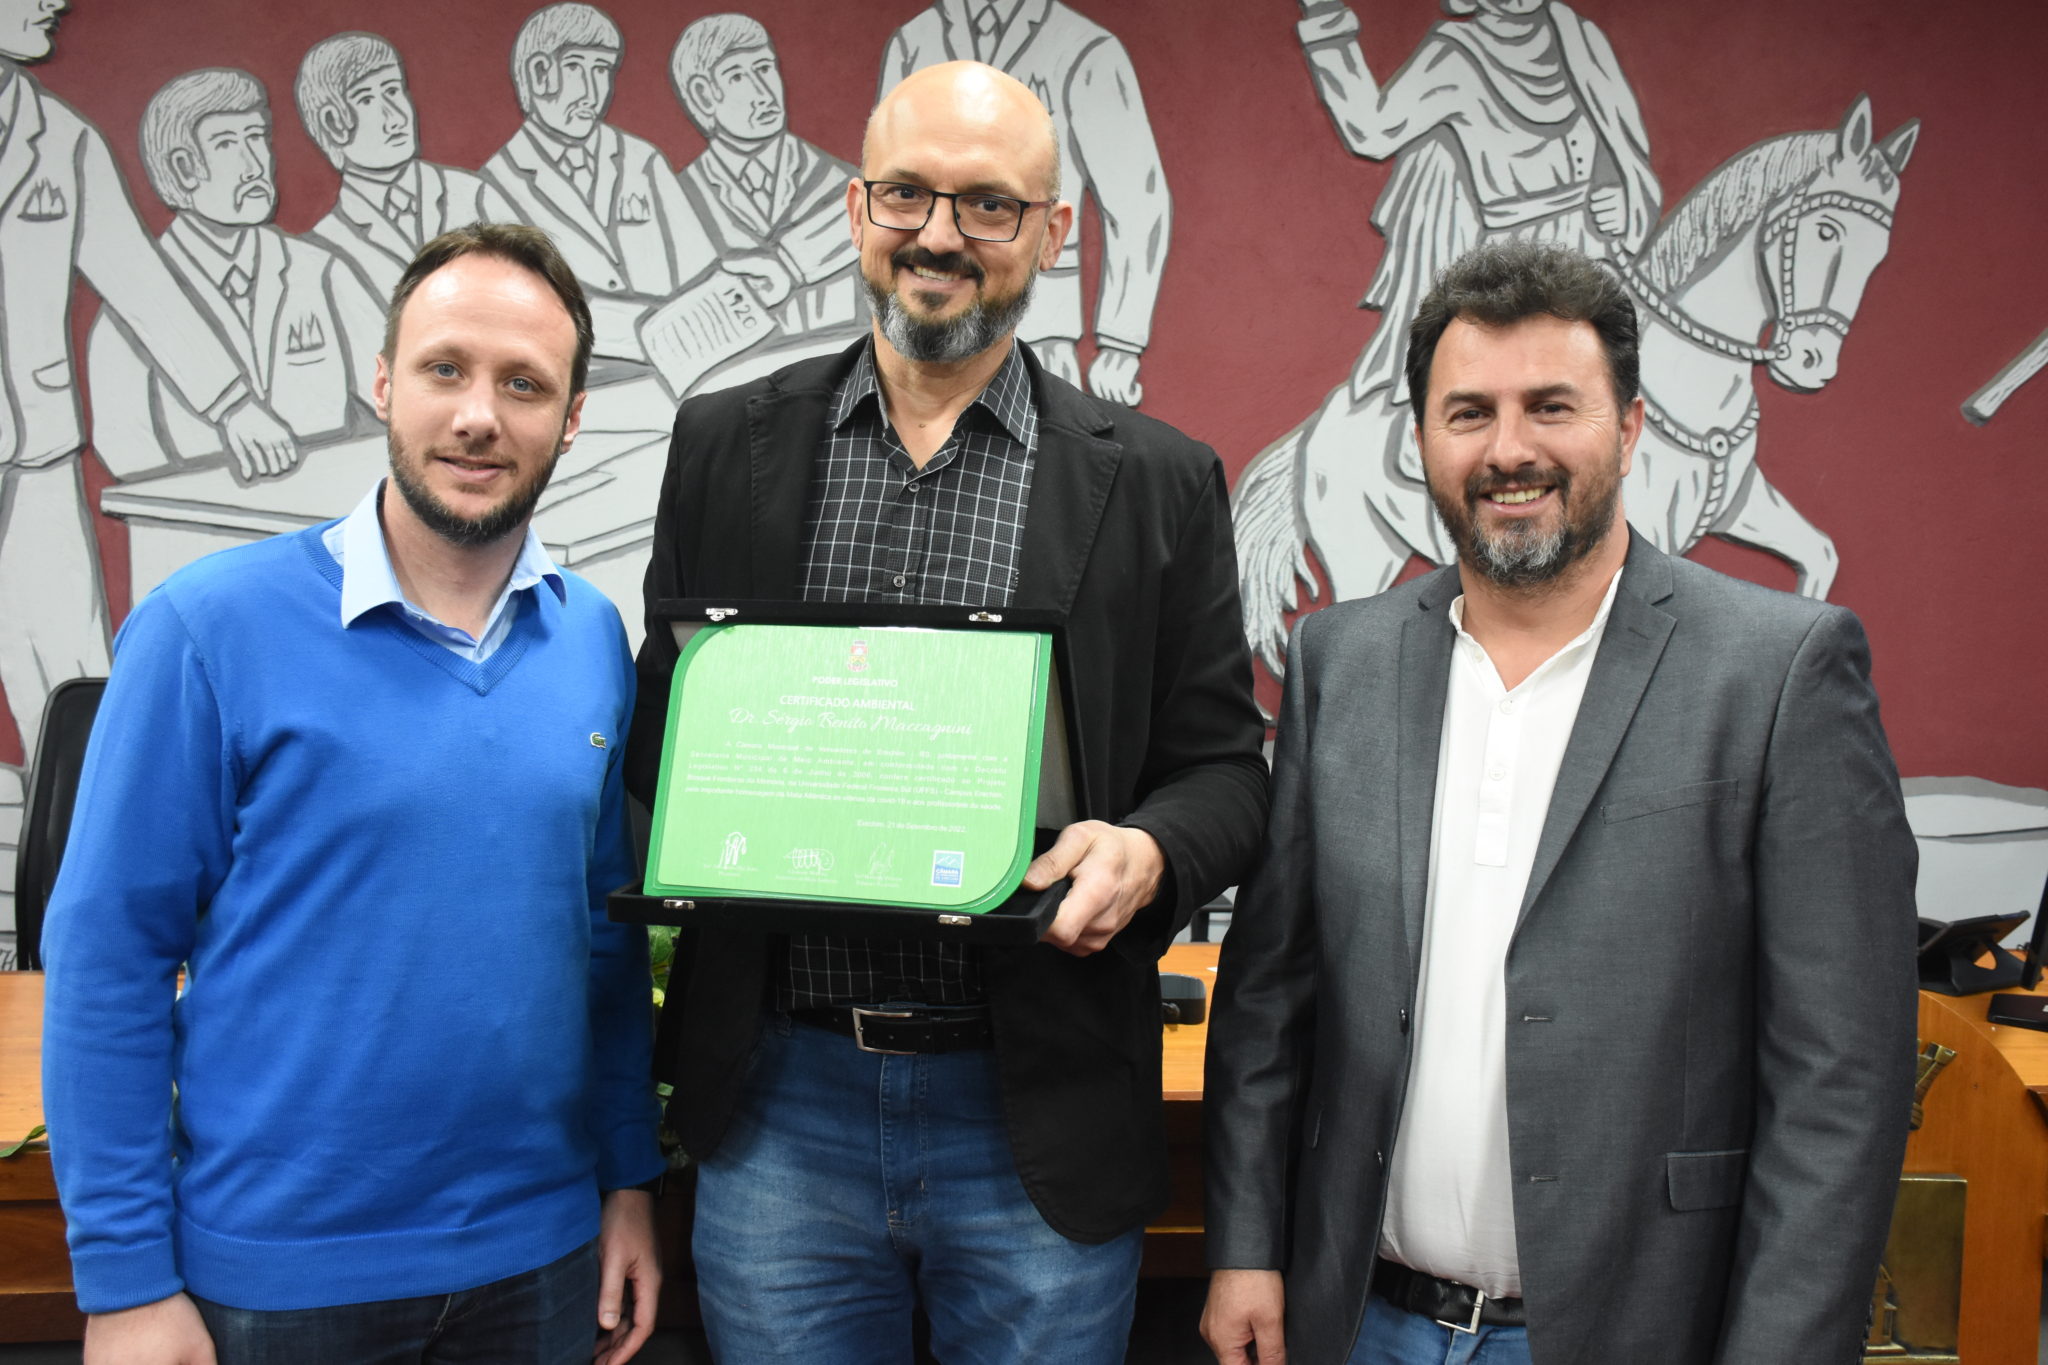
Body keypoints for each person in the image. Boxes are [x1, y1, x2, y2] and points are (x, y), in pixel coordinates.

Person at [628, 59, 1267, 1363]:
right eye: (907, 195)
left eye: (986, 205)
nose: (938, 235)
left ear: (1052, 231)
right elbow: (664, 731)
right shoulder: (721, 443)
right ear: (859, 207)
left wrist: (1149, 851)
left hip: (1032, 1105)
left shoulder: (1157, 483)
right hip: (780, 1105)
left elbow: (1224, 772)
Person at [1201, 241, 1918, 1365]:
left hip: (1635, 1331)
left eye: (1550, 406)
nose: (1509, 450)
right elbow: (1267, 1001)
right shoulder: (1341, 661)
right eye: (1467, 412)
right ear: (1422, 439)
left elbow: (1840, 1079)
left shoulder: (1778, 671)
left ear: (1628, 427)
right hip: (1359, 1321)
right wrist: (1243, 1246)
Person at [41, 223, 664, 1365]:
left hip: (538, 1261)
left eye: (524, 384)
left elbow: (601, 942)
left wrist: (627, 1180)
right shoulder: (206, 626)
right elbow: (108, 956)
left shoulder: (592, 642)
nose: (480, 415)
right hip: (277, 1281)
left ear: (571, 417)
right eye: (445, 369)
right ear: (383, 381)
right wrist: (125, 1282)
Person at [0, 0, 296, 780]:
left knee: (68, 678)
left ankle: (76, 868)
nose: (52, 3)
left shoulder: (60, 139)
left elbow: (141, 286)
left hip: (35, 446)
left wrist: (231, 402)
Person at [88, 67, 385, 480]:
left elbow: (399, 399)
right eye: (227, 144)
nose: (254, 165)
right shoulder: (130, 310)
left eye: (256, 138)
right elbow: (126, 454)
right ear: (183, 167)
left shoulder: (319, 272)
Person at [879, 0, 1169, 404]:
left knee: (1046, 456)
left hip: (1041, 325)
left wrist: (1121, 339)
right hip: (921, 329)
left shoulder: (1085, 50)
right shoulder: (915, 42)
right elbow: (888, 184)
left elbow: (1136, 199)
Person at [484, 3, 719, 365]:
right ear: (539, 73)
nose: (593, 91)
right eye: (576, 67)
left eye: (603, 69)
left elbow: (699, 272)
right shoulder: (496, 184)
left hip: (679, 370)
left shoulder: (642, 160)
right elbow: (520, 313)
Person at [671, 13, 865, 359]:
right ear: (703, 95)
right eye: (737, 77)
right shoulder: (678, 201)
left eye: (764, 68)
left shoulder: (839, 184)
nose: (763, 93)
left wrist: (788, 266)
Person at [297, 32, 519, 302]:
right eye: (366, 100)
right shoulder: (326, 245)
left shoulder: (473, 196)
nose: (395, 117)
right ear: (333, 122)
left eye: (392, 90)